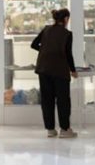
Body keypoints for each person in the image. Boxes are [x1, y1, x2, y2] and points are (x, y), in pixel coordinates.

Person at [31, 8, 78, 138]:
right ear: (66, 19)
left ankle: (50, 130)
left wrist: (45, 50)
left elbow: (34, 44)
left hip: (43, 69)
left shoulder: (46, 30)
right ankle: (65, 130)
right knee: (63, 101)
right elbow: (68, 54)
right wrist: (73, 70)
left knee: (47, 100)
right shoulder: (67, 34)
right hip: (60, 70)